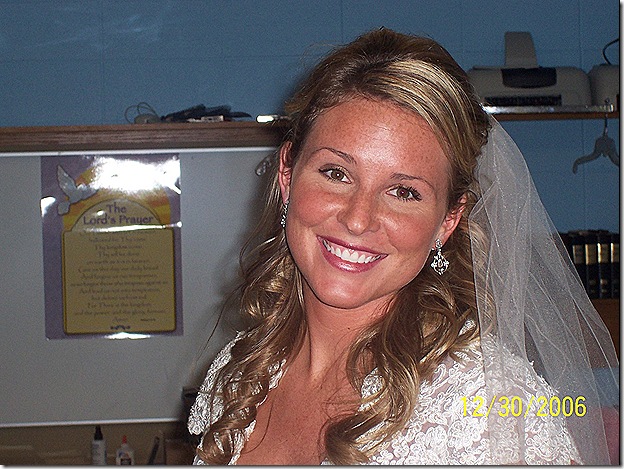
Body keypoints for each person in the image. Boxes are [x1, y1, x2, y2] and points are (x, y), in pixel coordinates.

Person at [188, 28, 619, 465]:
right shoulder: (239, 375)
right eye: (336, 173)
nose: (358, 219)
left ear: (447, 221)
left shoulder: (490, 408)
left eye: (404, 192)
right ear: (287, 174)